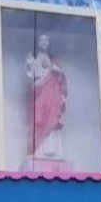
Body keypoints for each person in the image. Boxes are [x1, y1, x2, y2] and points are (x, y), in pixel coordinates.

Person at [25, 33, 67, 163]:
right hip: (39, 93)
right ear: (37, 42)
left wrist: (57, 72)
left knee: (52, 119)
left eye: (46, 40)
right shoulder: (33, 58)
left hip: (52, 95)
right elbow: (30, 74)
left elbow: (61, 79)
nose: (44, 42)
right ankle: (37, 149)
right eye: (41, 40)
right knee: (38, 119)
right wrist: (29, 64)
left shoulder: (54, 61)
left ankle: (52, 151)